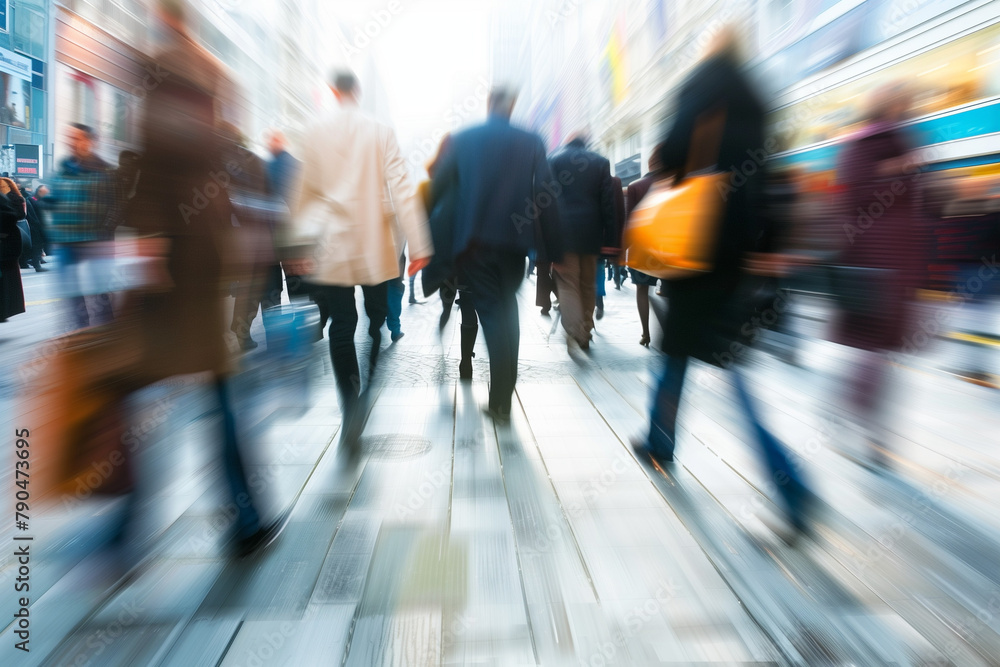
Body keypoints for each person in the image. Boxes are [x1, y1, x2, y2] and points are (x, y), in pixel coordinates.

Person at [632, 28, 812, 535]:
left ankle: (790, 485)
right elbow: (773, 172)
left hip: (696, 245)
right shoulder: (758, 95)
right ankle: (661, 439)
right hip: (737, 253)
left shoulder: (700, 85)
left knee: (680, 353)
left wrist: (668, 163)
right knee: (724, 364)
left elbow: (672, 151)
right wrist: (767, 247)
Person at [120, 0, 283, 557]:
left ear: (162, 15)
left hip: (172, 258)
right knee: (210, 385)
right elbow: (212, 155)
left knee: (143, 382)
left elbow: (157, 162)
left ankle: (127, 524)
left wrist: (145, 241)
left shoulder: (166, 67)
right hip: (200, 252)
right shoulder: (211, 71)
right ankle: (241, 516)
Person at [285, 70, 432, 447]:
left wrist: (295, 248)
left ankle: (350, 404)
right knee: (377, 319)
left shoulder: (315, 132)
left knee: (340, 324)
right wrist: (418, 245)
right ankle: (367, 382)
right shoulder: (379, 131)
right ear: (358, 91)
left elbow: (303, 194)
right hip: (372, 242)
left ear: (333, 92)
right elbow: (402, 188)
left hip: (332, 246)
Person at [430, 86, 561, 422]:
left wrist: (427, 239)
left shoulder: (464, 138)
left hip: (474, 245)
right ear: (512, 106)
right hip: (515, 246)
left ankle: (501, 400)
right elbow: (546, 192)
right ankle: (502, 397)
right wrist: (554, 249)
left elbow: (437, 189)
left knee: (490, 315)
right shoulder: (531, 140)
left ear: (489, 105)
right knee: (507, 311)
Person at [832, 85, 927, 469]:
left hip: (898, 264)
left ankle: (871, 428)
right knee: (876, 351)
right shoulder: (863, 145)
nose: (909, 105)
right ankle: (867, 426)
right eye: (903, 101)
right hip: (873, 263)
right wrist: (897, 172)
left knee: (882, 352)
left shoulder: (906, 140)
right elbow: (851, 199)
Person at [548, 133, 616, 352]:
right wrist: (611, 239)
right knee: (588, 285)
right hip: (592, 235)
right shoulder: (601, 162)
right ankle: (585, 332)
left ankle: (576, 332)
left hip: (562, 235)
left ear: (567, 142)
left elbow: (546, 201)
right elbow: (609, 203)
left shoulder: (554, 160)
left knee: (568, 284)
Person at [49, 123, 116, 330]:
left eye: (76, 138)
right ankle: (80, 333)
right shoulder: (62, 170)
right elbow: (55, 200)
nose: (71, 142)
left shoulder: (105, 171)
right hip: (66, 242)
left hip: (94, 241)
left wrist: (104, 232)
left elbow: (116, 206)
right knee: (72, 295)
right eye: (69, 137)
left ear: (89, 141)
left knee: (101, 292)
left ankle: (106, 333)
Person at [626, 156, 664, 347]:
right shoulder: (672, 184)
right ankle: (669, 331)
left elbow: (630, 220)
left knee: (642, 290)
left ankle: (646, 333)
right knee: (669, 290)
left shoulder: (635, 186)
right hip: (667, 247)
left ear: (650, 164)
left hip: (641, 248)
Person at [0, 177, 26, 322]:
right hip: (8, 242)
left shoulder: (9, 198)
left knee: (7, 278)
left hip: (7, 243)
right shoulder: (13, 197)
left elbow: (13, 216)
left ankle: (5, 310)